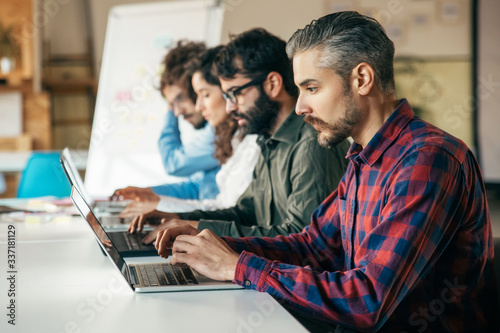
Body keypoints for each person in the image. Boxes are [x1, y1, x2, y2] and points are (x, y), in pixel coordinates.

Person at [153, 12, 498, 333]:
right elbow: (313, 247)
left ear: (361, 79)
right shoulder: (363, 157)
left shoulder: (427, 160)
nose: (300, 106)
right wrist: (212, 247)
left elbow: (368, 299)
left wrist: (236, 267)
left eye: (312, 88)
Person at [128, 28, 350, 240]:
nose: (230, 108)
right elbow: (245, 212)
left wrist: (201, 229)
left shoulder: (312, 143)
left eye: (236, 94)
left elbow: (302, 239)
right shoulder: (268, 140)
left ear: (272, 84)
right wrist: (180, 220)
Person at [121, 46, 261, 217]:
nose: (197, 106)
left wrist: (162, 205)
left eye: (204, 94)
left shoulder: (237, 136)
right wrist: (152, 197)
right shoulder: (229, 135)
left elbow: (173, 163)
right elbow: (198, 186)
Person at [113, 41, 220, 202]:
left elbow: (173, 163)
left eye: (181, 98)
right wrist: (146, 194)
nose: (177, 112)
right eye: (172, 106)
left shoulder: (219, 134)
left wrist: (170, 113)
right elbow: (198, 188)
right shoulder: (214, 131)